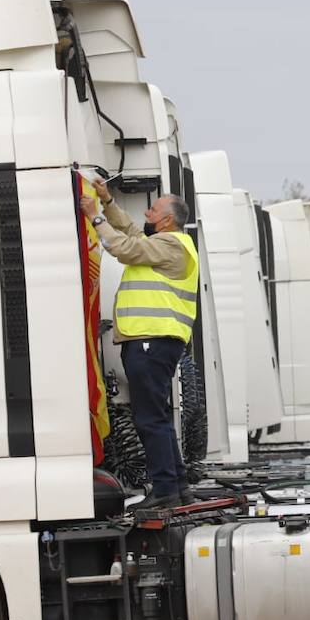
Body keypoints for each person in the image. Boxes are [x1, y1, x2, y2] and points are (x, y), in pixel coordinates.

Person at [79, 179, 198, 510]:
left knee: (150, 419)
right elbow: (132, 233)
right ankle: (177, 487)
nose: (147, 211)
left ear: (166, 220)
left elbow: (125, 247)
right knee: (157, 417)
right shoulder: (168, 242)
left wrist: (95, 217)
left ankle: (164, 491)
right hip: (153, 341)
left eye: (154, 209)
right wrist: (106, 201)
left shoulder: (171, 246)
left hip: (151, 341)